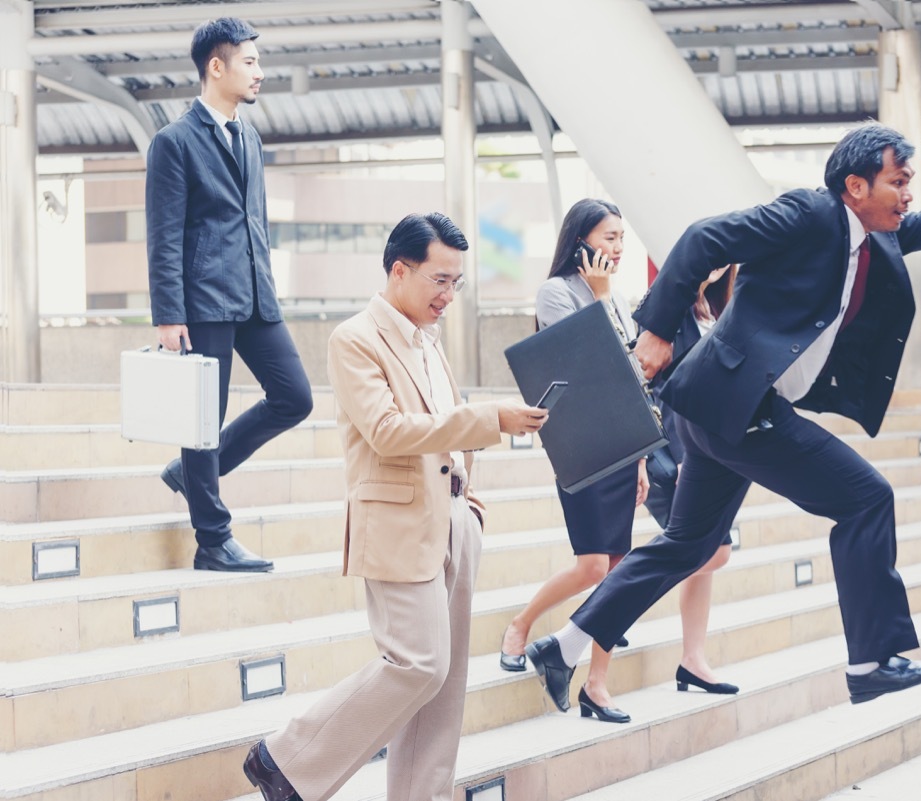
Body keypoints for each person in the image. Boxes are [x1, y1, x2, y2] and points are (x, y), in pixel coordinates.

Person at [526, 116, 921, 709]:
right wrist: (656, 330)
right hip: (735, 404)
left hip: (714, 406)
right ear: (856, 187)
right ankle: (871, 662)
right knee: (866, 498)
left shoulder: (873, 237)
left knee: (686, 544)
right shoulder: (809, 215)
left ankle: (564, 645)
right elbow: (704, 238)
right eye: (899, 180)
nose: (908, 194)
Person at [242, 213, 549, 801]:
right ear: (399, 270)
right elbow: (386, 430)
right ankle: (284, 758)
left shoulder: (429, 342)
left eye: (456, 282)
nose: (448, 295)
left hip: (455, 520)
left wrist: (472, 506)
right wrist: (491, 419)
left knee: (446, 684)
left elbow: (442, 430)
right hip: (398, 524)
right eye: (439, 280)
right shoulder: (354, 338)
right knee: (418, 665)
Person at [146, 17, 312, 573]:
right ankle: (212, 539)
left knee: (295, 397)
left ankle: (190, 473)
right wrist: (169, 315)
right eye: (250, 62)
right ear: (216, 67)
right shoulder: (173, 143)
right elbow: (164, 234)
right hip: (201, 303)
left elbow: (254, 222)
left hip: (255, 298)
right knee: (201, 418)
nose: (259, 73)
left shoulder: (250, 137)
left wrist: (267, 285)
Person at [498, 198, 649, 724]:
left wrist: (642, 459)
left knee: (622, 569)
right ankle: (521, 626)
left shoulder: (617, 295)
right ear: (581, 240)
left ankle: (597, 685)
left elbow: (634, 373)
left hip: (622, 442)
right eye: (609, 238)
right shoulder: (556, 292)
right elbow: (591, 362)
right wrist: (603, 299)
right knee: (593, 565)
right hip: (582, 441)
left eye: (622, 239)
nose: (618, 249)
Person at [645, 264, 744, 696]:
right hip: (681, 454)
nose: (716, 260)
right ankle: (610, 605)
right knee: (710, 551)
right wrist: (685, 453)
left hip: (720, 455)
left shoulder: (725, 307)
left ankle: (693, 658)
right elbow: (653, 387)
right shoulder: (665, 309)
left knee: (704, 558)